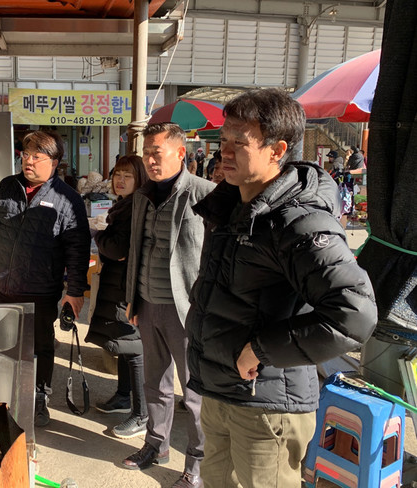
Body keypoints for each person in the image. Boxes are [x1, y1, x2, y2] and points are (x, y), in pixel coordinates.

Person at [186, 88, 377, 488]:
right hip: (220, 391)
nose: (224, 152)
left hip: (267, 405)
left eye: (240, 143)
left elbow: (354, 314)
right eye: (223, 140)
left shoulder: (297, 220)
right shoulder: (232, 205)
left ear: (277, 151)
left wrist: (260, 349)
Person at [0, 130, 91, 427]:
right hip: (1, 286)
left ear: (55, 162)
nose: (28, 161)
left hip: (40, 291)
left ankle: (39, 396)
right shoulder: (8, 186)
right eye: (25, 155)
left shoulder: (67, 199)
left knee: (40, 346)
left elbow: (78, 249)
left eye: (37, 156)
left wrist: (75, 291)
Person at [122, 122, 215, 488]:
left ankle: (197, 465)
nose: (149, 160)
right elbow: (136, 249)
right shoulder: (142, 195)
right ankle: (156, 445)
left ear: (180, 153)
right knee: (155, 383)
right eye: (146, 153)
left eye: (156, 153)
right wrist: (132, 298)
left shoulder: (205, 194)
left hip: (187, 309)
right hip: (148, 303)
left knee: (194, 394)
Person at [86, 155, 149, 439]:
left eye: (128, 176)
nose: (120, 180)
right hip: (119, 282)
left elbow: (118, 249)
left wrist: (99, 234)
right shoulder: (125, 204)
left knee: (132, 345)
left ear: (140, 179)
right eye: (117, 175)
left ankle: (141, 414)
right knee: (124, 344)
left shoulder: (135, 207)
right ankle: (124, 396)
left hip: (128, 286)